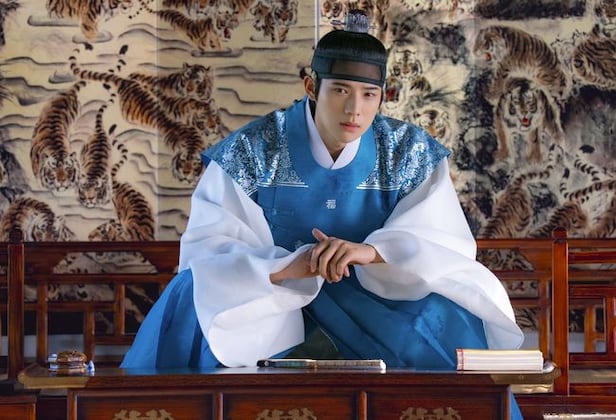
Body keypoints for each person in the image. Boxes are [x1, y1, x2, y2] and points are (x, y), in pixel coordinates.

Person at [121, 10, 524, 417]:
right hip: (275, 295)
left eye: (369, 94)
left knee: (446, 311)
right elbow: (210, 249)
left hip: (372, 297)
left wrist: (371, 252)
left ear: (383, 95)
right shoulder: (252, 150)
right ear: (311, 86)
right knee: (195, 292)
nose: (354, 109)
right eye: (340, 90)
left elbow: (443, 241)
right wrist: (290, 266)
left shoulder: (407, 151)